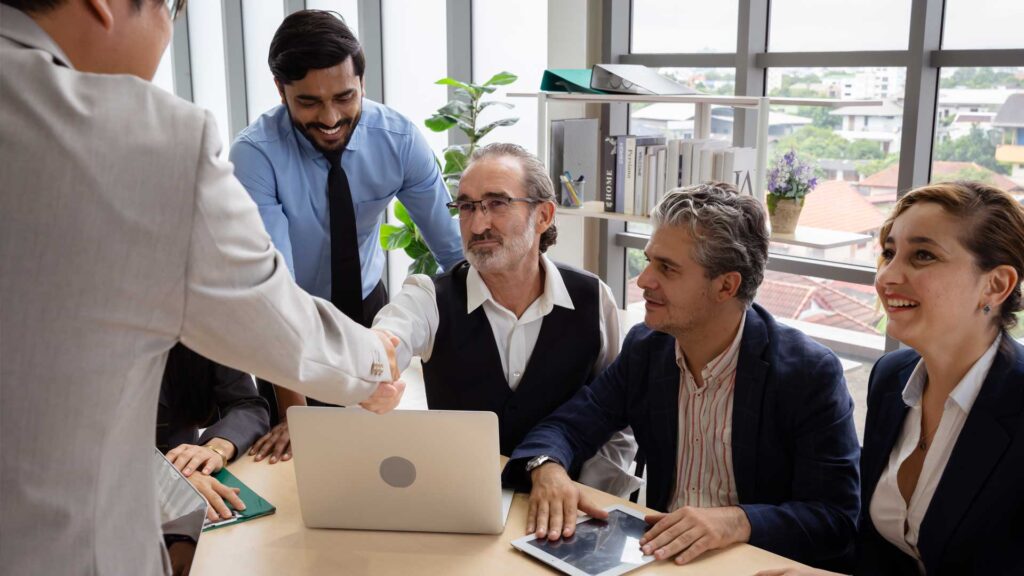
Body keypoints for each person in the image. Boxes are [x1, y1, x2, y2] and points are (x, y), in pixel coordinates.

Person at [0, 2, 404, 575]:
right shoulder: (146, 136)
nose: (168, 32)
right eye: (170, 9)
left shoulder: (397, 138)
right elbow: (265, 309)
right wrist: (373, 364)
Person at [504, 183, 861, 571]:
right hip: (661, 560)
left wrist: (737, 521)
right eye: (649, 262)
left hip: (754, 564)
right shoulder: (648, 348)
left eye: (667, 269)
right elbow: (569, 426)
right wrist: (547, 466)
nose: (643, 282)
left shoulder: (809, 373)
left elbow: (835, 519)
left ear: (726, 285)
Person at [756, 182, 1024, 576]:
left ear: (996, 285)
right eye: (888, 253)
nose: (886, 277)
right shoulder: (890, 378)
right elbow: (878, 551)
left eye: (923, 255)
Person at [230, 10, 462, 459]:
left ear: (362, 83)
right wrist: (293, 414)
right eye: (309, 102)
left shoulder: (398, 140)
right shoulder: (255, 156)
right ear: (281, 91)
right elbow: (276, 296)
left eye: (344, 96)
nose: (331, 118)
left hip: (365, 303)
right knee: (303, 456)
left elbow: (454, 252)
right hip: (291, 317)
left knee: (372, 451)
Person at [373, 143, 638, 496]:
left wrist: (587, 493)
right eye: (466, 207)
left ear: (543, 216)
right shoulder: (429, 296)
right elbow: (389, 334)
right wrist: (374, 362)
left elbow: (619, 419)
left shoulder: (592, 297)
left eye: (497, 204)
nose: (478, 224)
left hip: (569, 507)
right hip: (459, 500)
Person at [157, 344, 272, 574]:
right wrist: (167, 478)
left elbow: (247, 405)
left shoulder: (200, 324)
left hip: (187, 487)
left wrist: (215, 448)